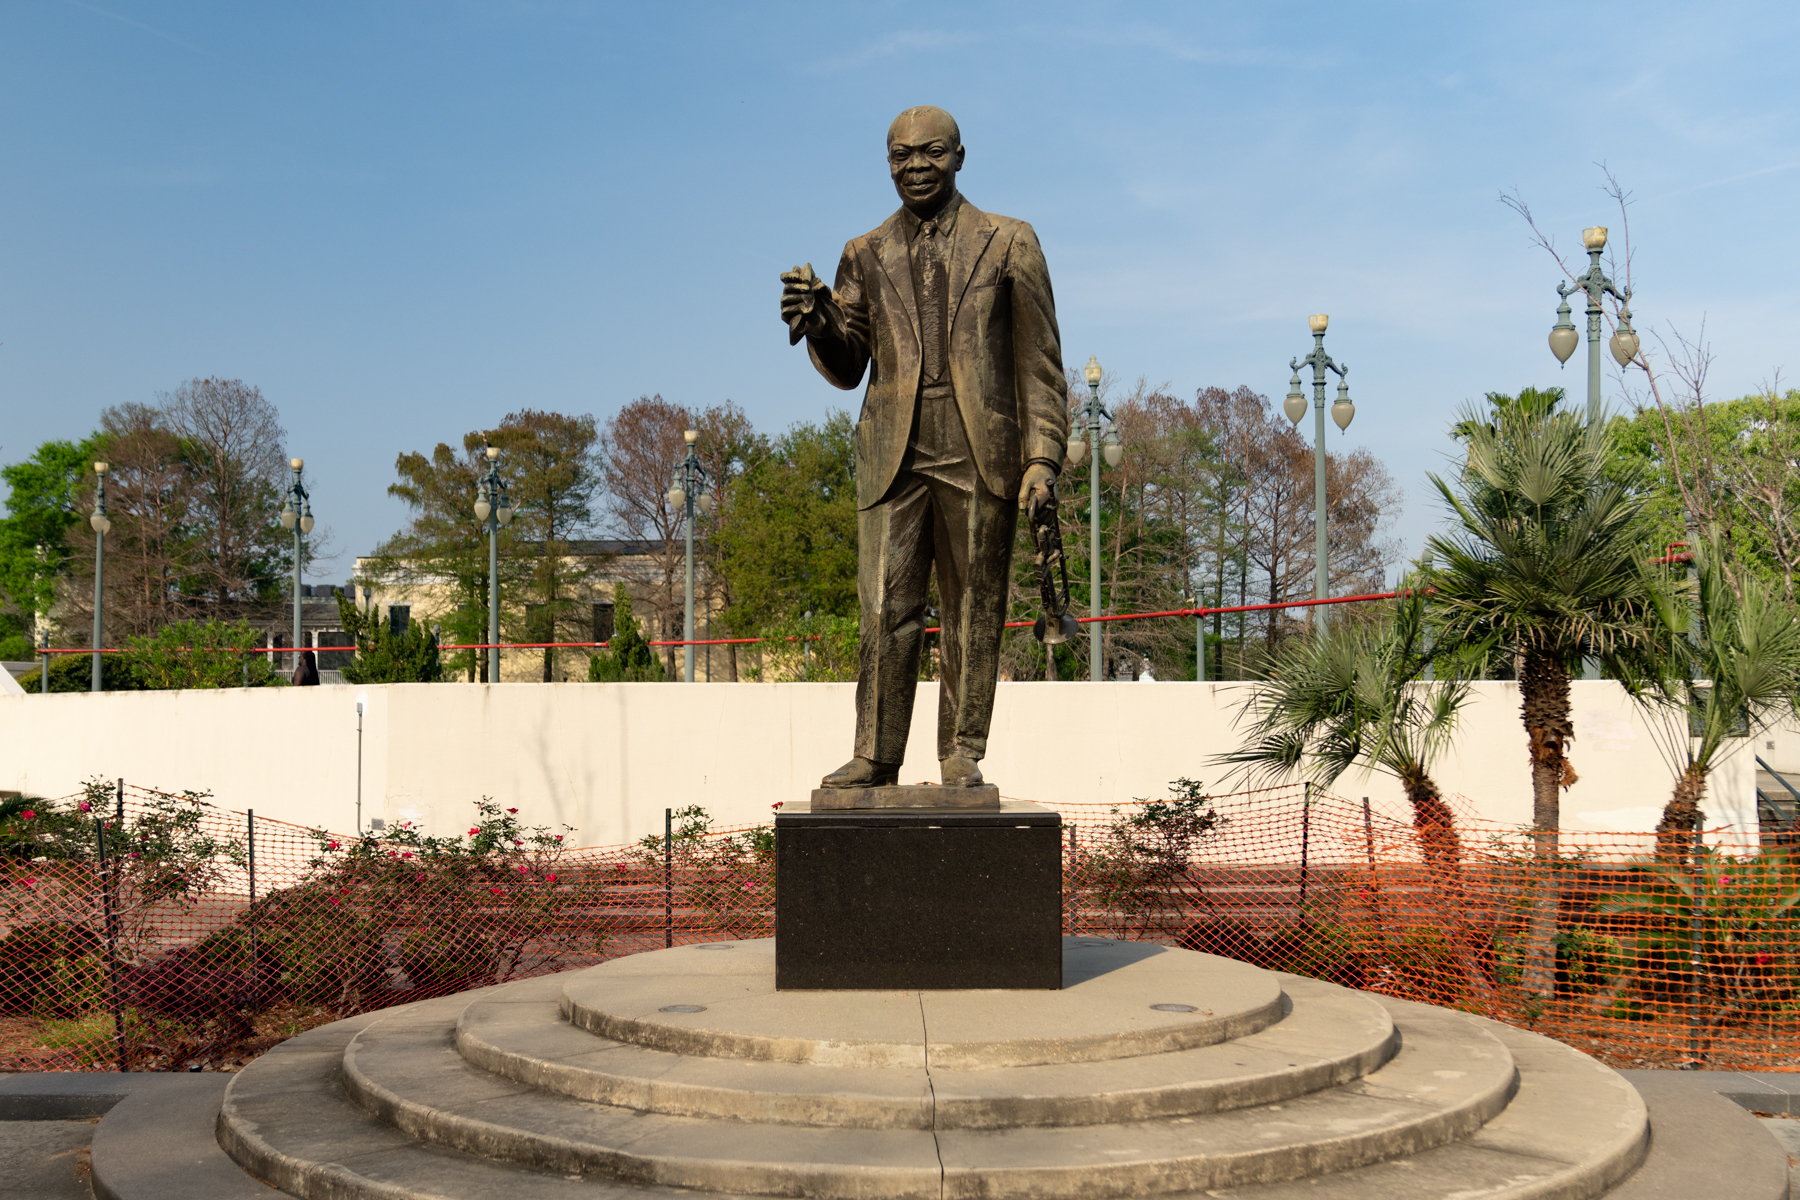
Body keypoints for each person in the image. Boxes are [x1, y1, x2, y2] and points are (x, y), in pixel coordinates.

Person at [780, 105, 1068, 790]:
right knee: (884, 606)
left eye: (930, 152)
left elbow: (1040, 364)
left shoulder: (1010, 241)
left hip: (980, 445)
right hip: (893, 448)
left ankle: (961, 752)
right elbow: (850, 364)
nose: (915, 166)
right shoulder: (865, 252)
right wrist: (820, 321)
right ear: (887, 163)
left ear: (961, 156)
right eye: (901, 155)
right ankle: (876, 753)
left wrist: (1042, 458)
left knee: (974, 606)